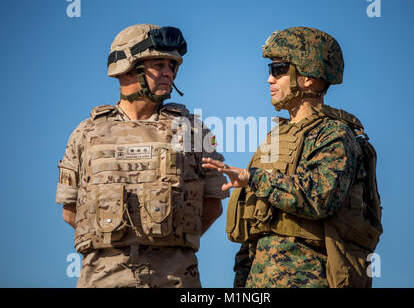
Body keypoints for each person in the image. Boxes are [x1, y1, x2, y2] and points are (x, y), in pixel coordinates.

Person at [202, 27, 383, 288]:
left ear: (308, 77)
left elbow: (320, 198)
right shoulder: (277, 137)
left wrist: (251, 178)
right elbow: (255, 229)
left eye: (278, 70)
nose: (269, 80)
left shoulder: (334, 134)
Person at [56, 24, 229, 288]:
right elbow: (70, 211)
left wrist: (170, 239)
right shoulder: (86, 133)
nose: (168, 73)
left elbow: (213, 205)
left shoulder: (194, 131)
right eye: (158, 64)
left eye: (172, 66)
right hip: (103, 277)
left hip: (176, 277)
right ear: (127, 68)